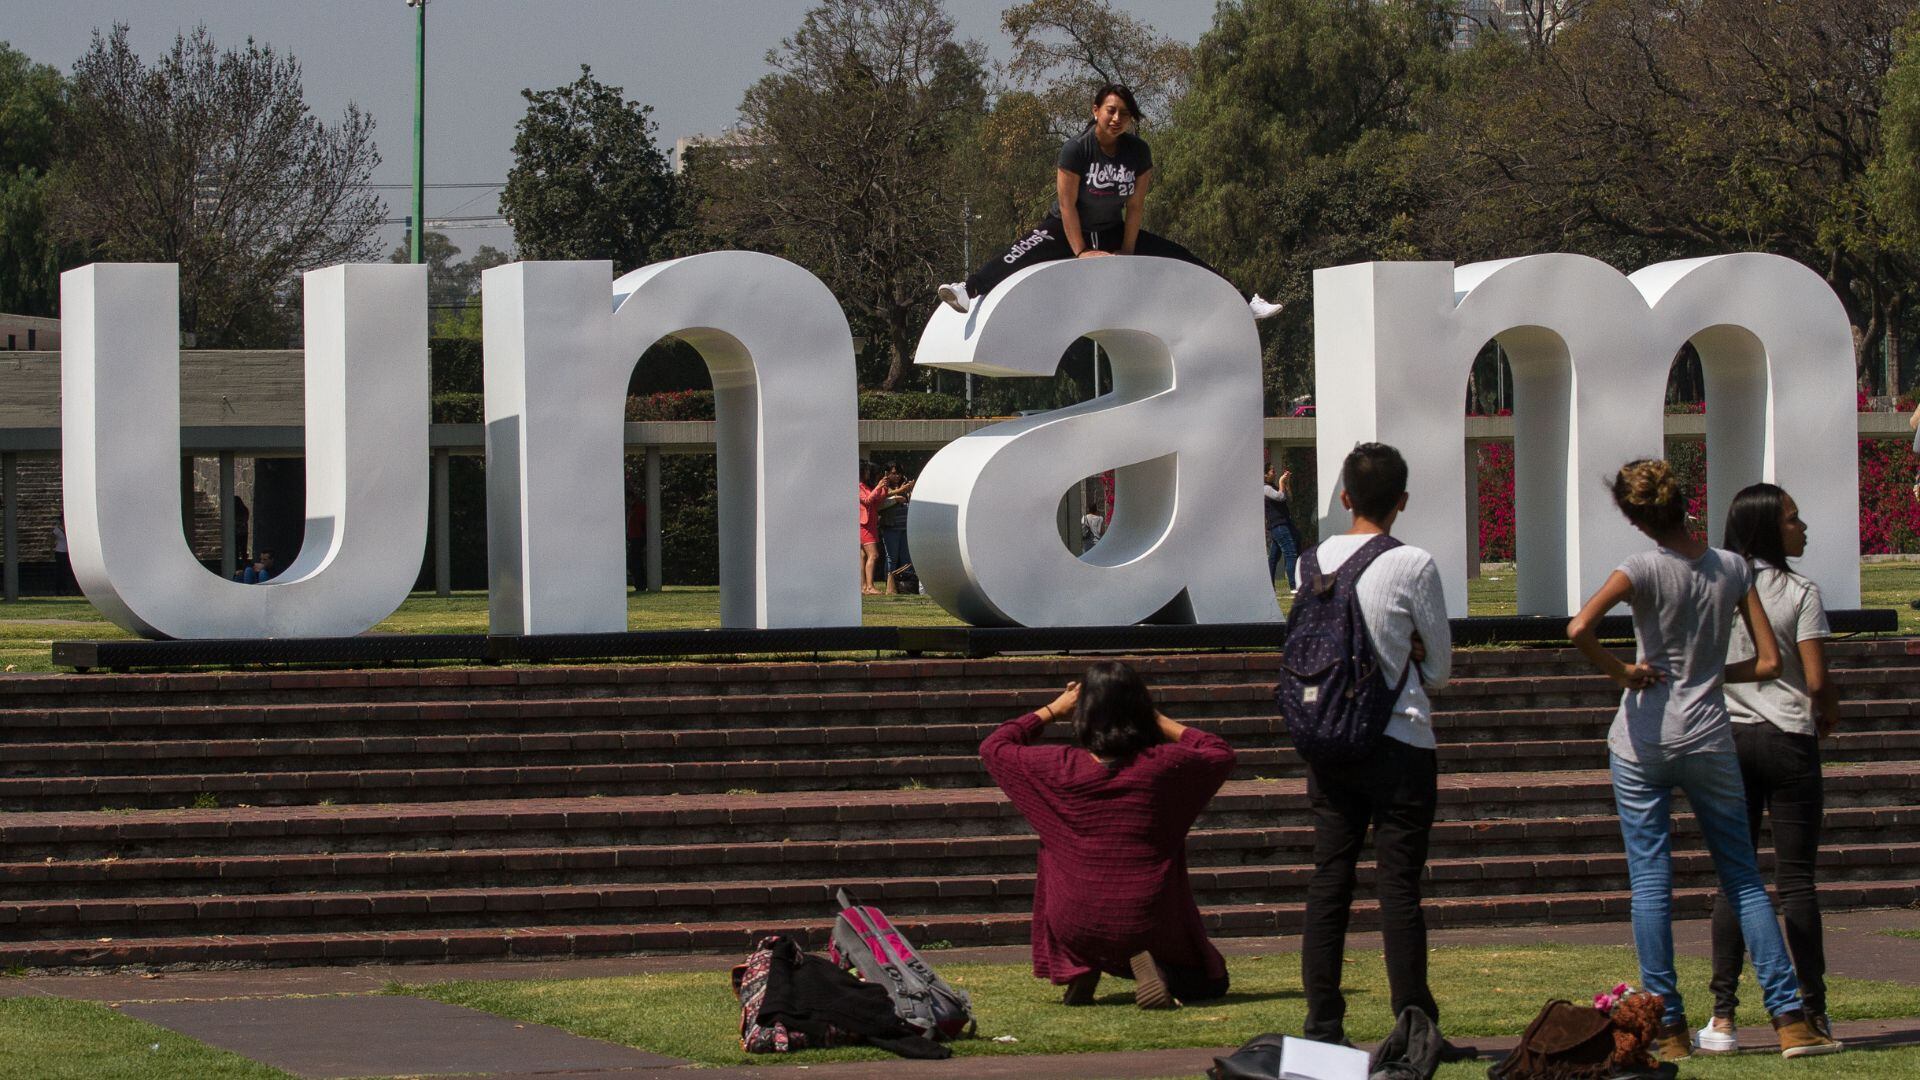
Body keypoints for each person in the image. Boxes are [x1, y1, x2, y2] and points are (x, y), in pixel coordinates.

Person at [1566, 459, 1839, 1060]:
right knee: (1742, 877)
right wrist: (1713, 674)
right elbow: (1769, 663)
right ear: (1684, 503)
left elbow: (1579, 626)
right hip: (1710, 734)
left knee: (1650, 883)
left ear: (1637, 518)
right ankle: (1790, 1019)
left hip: (1641, 739)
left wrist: (1625, 671)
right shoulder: (1732, 568)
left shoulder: (1639, 568)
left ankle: (1666, 1029)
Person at [1297, 443, 1468, 1061]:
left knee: (1329, 880)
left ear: (1344, 496)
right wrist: (1415, 651)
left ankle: (1322, 1025)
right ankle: (1415, 1023)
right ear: (1402, 501)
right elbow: (1443, 669)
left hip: (1330, 738)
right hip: (1399, 738)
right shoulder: (1414, 563)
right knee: (1398, 886)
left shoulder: (1310, 562)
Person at [981, 660, 1235, 1010]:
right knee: (1212, 982)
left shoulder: (1058, 767)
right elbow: (1218, 751)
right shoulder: (1162, 766)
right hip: (1148, 917)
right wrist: (1153, 716)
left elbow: (994, 746)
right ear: (1141, 708)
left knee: (1058, 853)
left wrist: (1055, 708)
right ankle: (1159, 971)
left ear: (1083, 712)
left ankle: (1081, 965)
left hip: (1073, 919)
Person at [937, 84, 1282, 323]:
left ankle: (1245, 301)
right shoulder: (1076, 149)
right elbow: (1067, 204)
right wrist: (1081, 252)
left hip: (1112, 231)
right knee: (1018, 252)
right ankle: (966, 289)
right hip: (1065, 229)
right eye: (1111, 111)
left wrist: (1129, 252)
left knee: (1181, 257)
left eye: (1125, 114)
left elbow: (1134, 207)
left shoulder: (1138, 151)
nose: (1117, 118)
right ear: (1096, 111)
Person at [1699, 484, 1839, 1052]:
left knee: (1735, 878)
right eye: (1791, 520)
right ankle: (1812, 1014)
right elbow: (1816, 679)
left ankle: (1724, 1016)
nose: (1801, 528)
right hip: (1787, 739)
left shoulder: (1714, 586)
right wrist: (1827, 713)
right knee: (1797, 880)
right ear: (1765, 529)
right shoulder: (1799, 590)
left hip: (1727, 739)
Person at [878, 463, 915, 594]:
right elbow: (880, 502)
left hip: (904, 527)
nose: (897, 476)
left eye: (898, 473)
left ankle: (906, 586)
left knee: (906, 557)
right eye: (894, 473)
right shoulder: (883, 486)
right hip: (891, 526)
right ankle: (890, 586)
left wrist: (909, 490)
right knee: (891, 557)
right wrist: (897, 497)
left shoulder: (904, 486)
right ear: (887, 473)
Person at [857, 462, 893, 595]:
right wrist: (878, 486)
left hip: (870, 524)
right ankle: (869, 586)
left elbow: (878, 500)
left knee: (863, 556)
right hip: (864, 525)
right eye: (866, 471)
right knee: (874, 554)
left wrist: (883, 487)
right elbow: (867, 500)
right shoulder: (859, 487)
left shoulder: (866, 486)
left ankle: (864, 586)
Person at [1263, 465, 1301, 590]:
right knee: (1291, 554)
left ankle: (1268, 586)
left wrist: (1286, 483)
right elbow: (1280, 497)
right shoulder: (1265, 488)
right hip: (1278, 526)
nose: (1274, 472)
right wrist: (1280, 481)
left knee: (1273, 557)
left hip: (1283, 524)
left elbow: (1289, 498)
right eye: (1272, 471)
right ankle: (1294, 586)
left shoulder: (1274, 487)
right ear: (1265, 475)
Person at [626, 484, 649, 593]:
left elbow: (643, 524)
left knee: (635, 562)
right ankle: (640, 584)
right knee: (634, 562)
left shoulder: (638, 508)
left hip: (638, 538)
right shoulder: (632, 509)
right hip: (633, 538)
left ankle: (640, 584)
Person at [50, 523, 73, 596]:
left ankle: (67, 589)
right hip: (60, 552)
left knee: (67, 572)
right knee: (60, 571)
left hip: (68, 552)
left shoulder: (69, 527)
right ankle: (59, 589)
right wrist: (51, 550)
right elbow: (51, 539)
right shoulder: (57, 529)